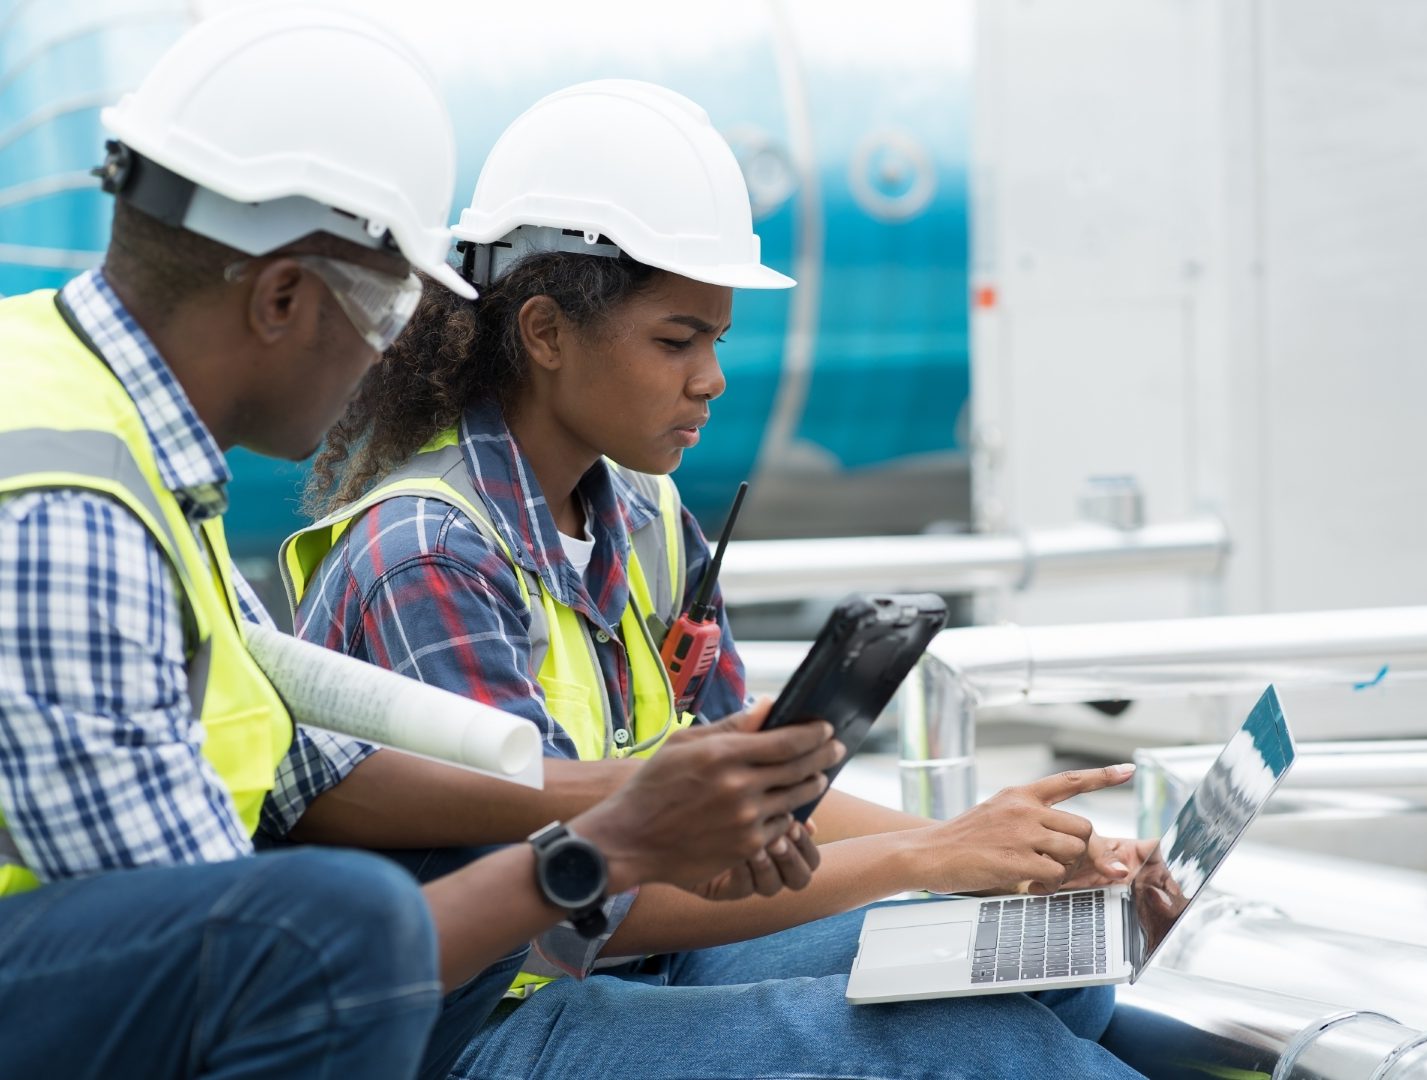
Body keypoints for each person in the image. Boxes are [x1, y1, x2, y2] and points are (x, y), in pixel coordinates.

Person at [0, 16, 840, 1080]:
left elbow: (312, 768)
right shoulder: (63, 514)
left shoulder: (105, 423)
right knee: (344, 904)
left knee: (443, 837)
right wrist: (610, 846)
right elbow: (254, 955)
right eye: (392, 300)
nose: (394, 347)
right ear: (284, 298)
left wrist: (624, 799)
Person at [286, 79, 1147, 1078]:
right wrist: (925, 858)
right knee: (960, 1038)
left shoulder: (647, 517)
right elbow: (572, 897)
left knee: (1036, 962)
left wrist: (987, 850)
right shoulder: (430, 557)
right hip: (485, 1026)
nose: (711, 379)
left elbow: (746, 799)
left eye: (715, 340)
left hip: (637, 965)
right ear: (544, 334)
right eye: (674, 340)